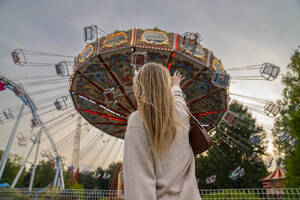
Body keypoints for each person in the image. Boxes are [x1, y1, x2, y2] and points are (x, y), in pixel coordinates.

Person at [123, 63, 201, 200]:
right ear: (166, 86)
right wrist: (175, 84)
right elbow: (178, 98)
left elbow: (139, 182)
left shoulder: (138, 121)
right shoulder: (181, 113)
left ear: (139, 88)